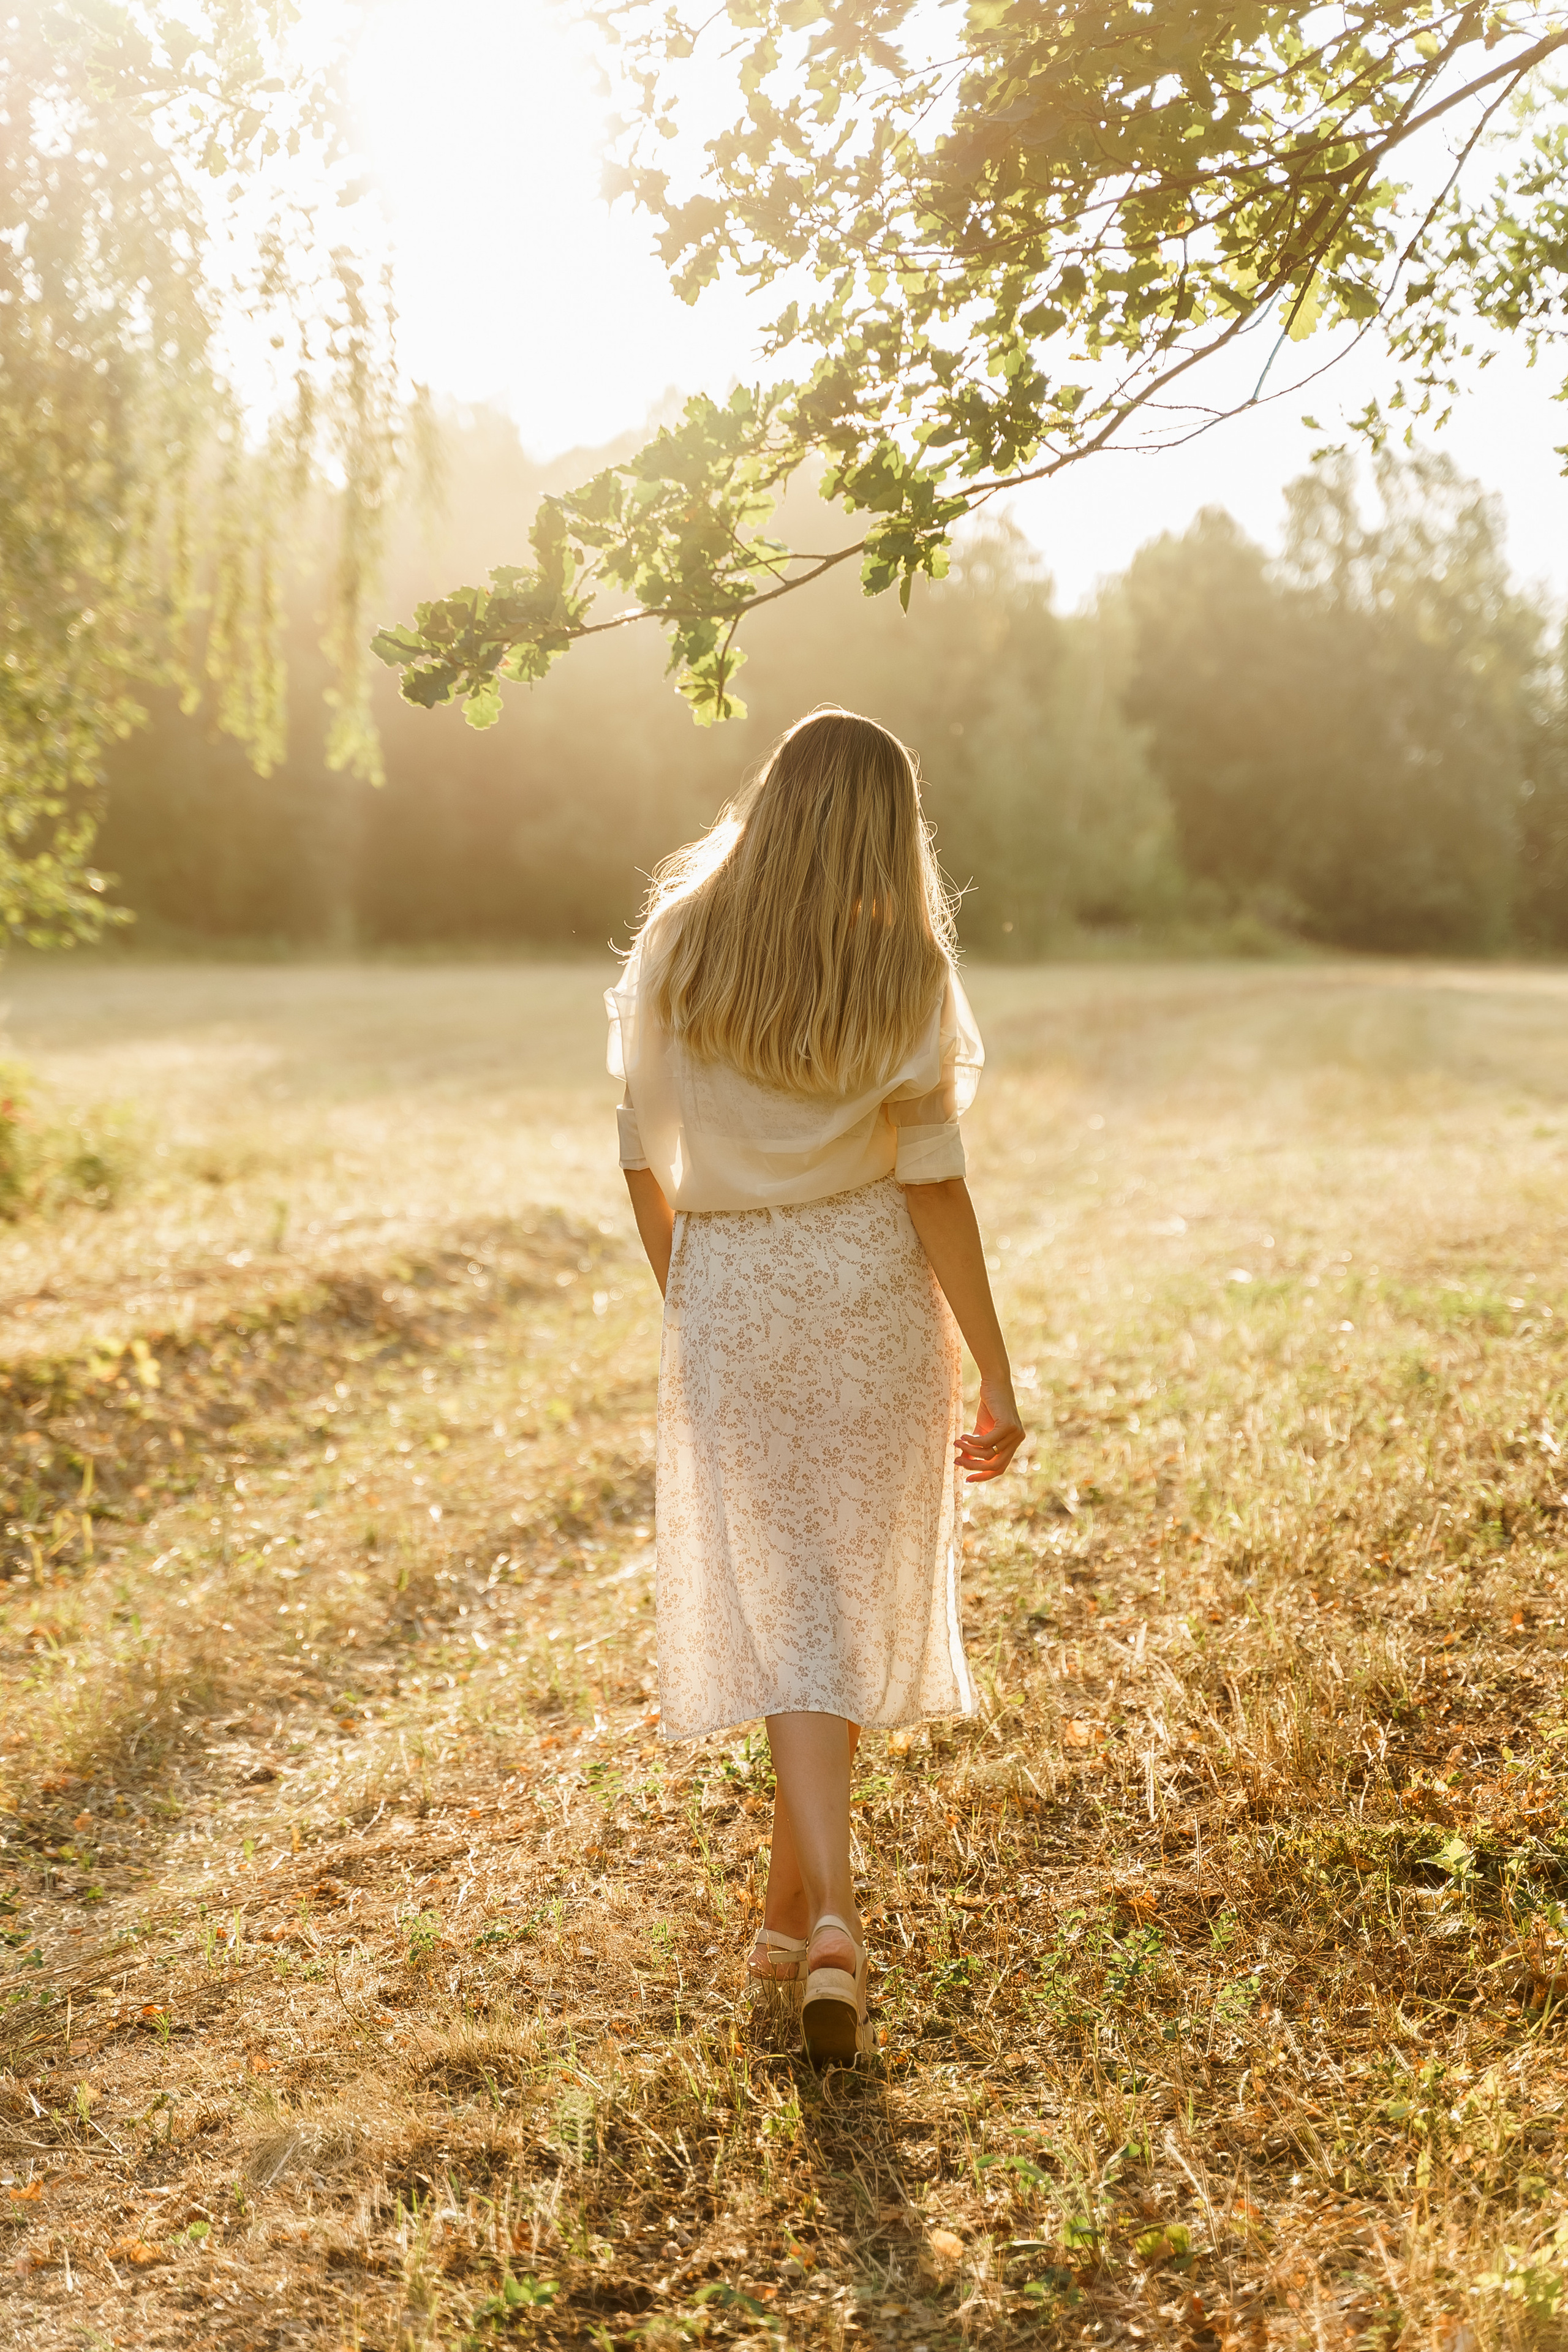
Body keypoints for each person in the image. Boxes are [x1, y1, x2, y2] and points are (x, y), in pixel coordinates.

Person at [606, 706, 1025, 2063]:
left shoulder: (680, 937)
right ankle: (829, 1920)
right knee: (831, 1597)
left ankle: (798, 1919)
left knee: (791, 1598)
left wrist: (698, 1304)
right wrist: (996, 1368)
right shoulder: (903, 965)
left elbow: (638, 1158)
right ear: (890, 829)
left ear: (772, 797)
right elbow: (935, 1184)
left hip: (730, 1284)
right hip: (867, 1289)